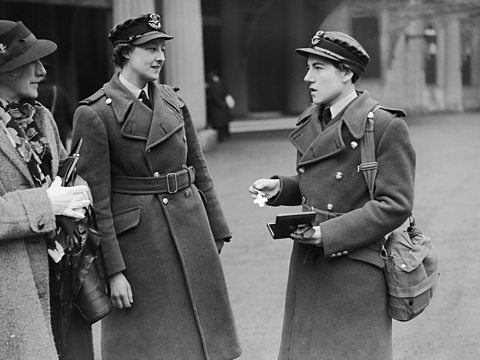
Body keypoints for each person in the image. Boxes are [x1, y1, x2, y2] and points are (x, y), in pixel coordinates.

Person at [71, 13, 241, 360]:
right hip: (140, 246)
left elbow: (199, 168)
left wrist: (217, 229)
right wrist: (113, 272)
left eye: (162, 47)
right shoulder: (95, 113)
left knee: (201, 341)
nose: (160, 56)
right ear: (124, 53)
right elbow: (95, 203)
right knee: (152, 344)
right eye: (150, 48)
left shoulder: (171, 99)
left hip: (191, 229)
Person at [249, 30, 416, 360]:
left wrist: (329, 233)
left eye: (318, 68)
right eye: (309, 67)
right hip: (309, 264)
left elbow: (395, 205)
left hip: (355, 268)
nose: (307, 77)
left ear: (346, 73)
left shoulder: (384, 125)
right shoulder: (312, 118)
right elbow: (317, 185)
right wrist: (281, 188)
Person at [0, 20, 92, 359]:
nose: (42, 71)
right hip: (13, 291)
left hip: (61, 277)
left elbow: (66, 169)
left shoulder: (41, 116)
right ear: (6, 70)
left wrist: (77, 192)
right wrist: (46, 203)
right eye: (32, 63)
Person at [37, 64, 74, 149]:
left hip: (37, 140)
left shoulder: (29, 92)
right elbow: (70, 116)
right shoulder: (58, 91)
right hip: (58, 139)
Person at [206, 71, 233, 141]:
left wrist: (219, 103)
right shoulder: (221, 83)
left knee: (217, 124)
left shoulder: (211, 85)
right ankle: (225, 135)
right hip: (222, 106)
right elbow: (226, 92)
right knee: (223, 122)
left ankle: (220, 137)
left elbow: (213, 96)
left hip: (216, 107)